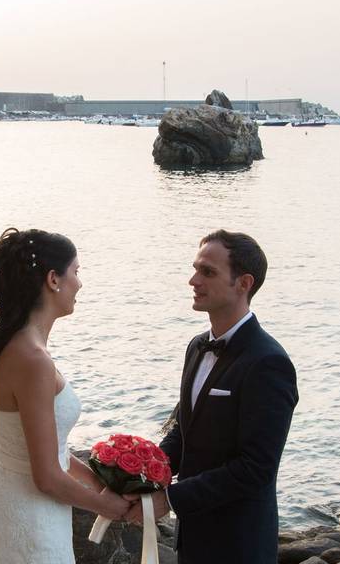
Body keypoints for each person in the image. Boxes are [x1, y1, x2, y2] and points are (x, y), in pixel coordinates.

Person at [125, 230, 299, 563]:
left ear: (243, 283)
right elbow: (183, 432)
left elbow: (256, 468)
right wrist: (145, 477)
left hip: (238, 544)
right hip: (192, 538)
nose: (193, 280)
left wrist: (171, 499)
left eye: (208, 272)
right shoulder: (196, 347)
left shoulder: (268, 362)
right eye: (195, 269)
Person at [0, 228, 131, 563]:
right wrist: (108, 506)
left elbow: (45, 448)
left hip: (15, 505)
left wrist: (97, 481)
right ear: (53, 279)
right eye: (76, 272)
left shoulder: (20, 346)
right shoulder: (33, 361)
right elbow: (46, 476)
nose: (79, 283)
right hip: (30, 520)